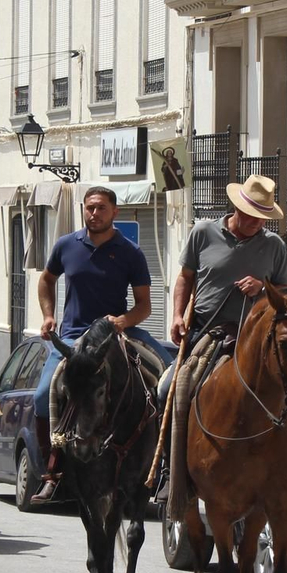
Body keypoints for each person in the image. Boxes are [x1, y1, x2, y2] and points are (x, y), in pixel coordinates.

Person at [161, 173, 287, 491]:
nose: (256, 223)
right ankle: (172, 471)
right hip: (209, 331)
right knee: (168, 389)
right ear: (237, 207)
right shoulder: (203, 232)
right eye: (251, 215)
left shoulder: (274, 246)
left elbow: (286, 294)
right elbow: (185, 278)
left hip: (259, 339)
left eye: (262, 218)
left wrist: (262, 287)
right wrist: (178, 315)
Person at [29, 186, 172, 504]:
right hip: (73, 337)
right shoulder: (66, 245)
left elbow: (144, 306)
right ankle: (54, 471)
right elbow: (46, 280)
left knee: (169, 379)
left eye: (101, 208)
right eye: (90, 208)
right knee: (41, 397)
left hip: (117, 333)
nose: (94, 213)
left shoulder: (131, 251)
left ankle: (164, 470)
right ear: (84, 209)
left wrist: (123, 321)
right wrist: (48, 316)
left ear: (115, 212)